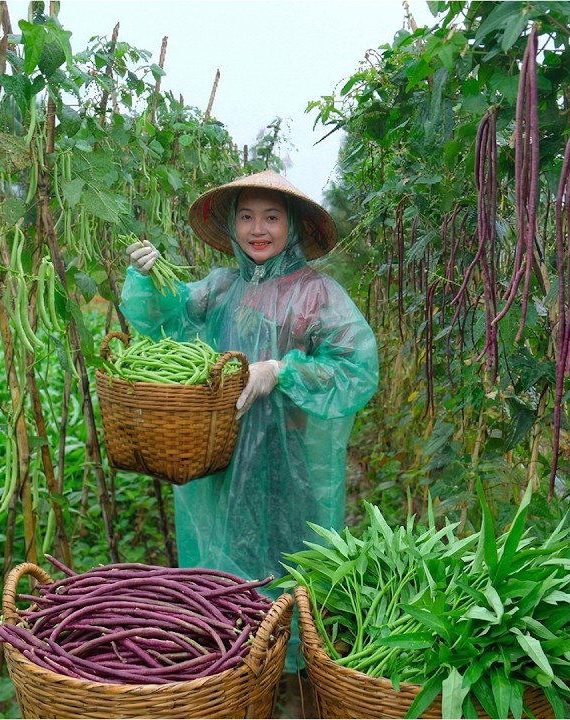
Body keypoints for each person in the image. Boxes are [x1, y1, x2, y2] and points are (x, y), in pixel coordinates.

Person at [120, 170, 380, 692]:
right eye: (246, 217)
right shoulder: (220, 288)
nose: (258, 229)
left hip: (290, 461)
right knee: (223, 564)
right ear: (232, 226)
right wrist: (148, 277)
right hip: (220, 455)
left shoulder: (317, 294)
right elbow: (164, 319)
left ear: (293, 226)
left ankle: (296, 677)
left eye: (271, 217)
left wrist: (281, 371)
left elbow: (356, 368)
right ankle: (232, 677)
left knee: (293, 563)